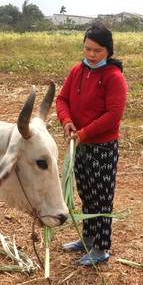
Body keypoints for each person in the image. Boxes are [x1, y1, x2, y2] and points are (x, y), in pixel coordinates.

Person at [56, 23, 127, 266]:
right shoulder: (77, 71)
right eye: (87, 49)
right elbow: (62, 98)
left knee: (102, 198)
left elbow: (113, 115)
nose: (91, 55)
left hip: (102, 147)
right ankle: (86, 239)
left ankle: (101, 248)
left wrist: (85, 133)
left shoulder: (114, 78)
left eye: (97, 50)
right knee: (85, 192)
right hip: (80, 145)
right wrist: (66, 121)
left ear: (108, 50)